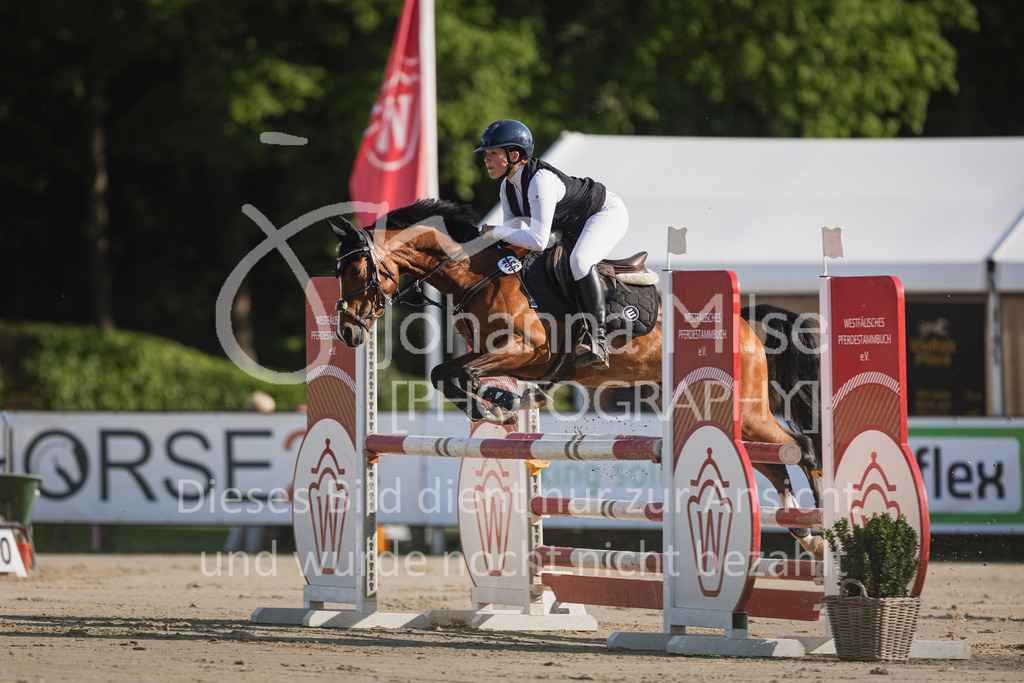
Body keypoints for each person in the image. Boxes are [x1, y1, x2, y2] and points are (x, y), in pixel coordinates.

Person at [475, 119, 629, 367]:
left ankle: (597, 339)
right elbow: (512, 233)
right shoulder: (507, 186)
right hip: (572, 226)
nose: (486, 159)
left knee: (580, 261)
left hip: (605, 213)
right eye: (486, 154)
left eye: (493, 153)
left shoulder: (539, 180)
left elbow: (537, 239)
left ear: (514, 155)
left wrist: (493, 232)